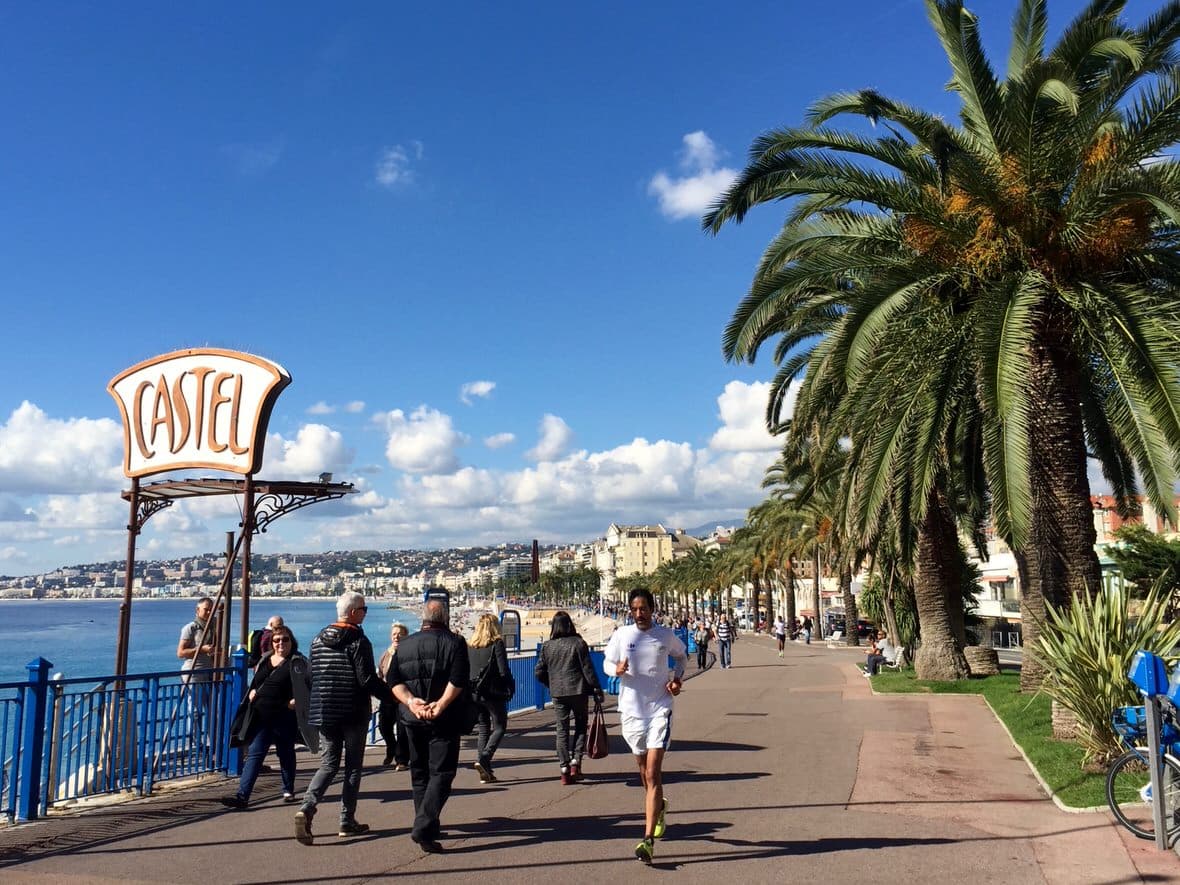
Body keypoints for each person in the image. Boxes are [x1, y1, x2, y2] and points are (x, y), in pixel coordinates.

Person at [294, 591, 395, 845]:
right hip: (353, 711)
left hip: (325, 712)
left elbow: (310, 677)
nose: (365, 613)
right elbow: (367, 679)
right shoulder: (358, 640)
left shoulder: (317, 640)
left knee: (328, 765)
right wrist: (394, 696)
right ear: (353, 613)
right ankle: (346, 821)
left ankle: (307, 807)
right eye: (364, 609)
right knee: (352, 768)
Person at [603, 587, 688, 866]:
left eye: (644, 608)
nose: (639, 613)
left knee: (652, 772)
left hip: (660, 709)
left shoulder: (665, 636)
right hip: (631, 711)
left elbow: (682, 656)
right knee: (644, 773)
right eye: (635, 609)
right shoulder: (622, 635)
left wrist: (677, 680)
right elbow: (607, 661)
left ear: (652, 609)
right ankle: (659, 806)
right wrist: (614, 670)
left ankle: (647, 839)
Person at [385, 599, 470, 854]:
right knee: (442, 774)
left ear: (423, 618)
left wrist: (412, 703)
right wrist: (441, 705)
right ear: (445, 617)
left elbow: (393, 681)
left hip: (412, 718)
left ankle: (427, 829)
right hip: (443, 719)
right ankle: (423, 825)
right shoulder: (455, 643)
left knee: (420, 773)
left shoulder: (405, 645)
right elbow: (459, 680)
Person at [221, 625, 304, 808]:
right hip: (261, 715)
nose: (281, 643)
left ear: (292, 641)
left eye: (285, 639)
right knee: (255, 754)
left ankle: (288, 789)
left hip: (284, 715)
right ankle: (242, 796)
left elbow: (308, 686)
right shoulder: (266, 659)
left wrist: (295, 701)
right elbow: (256, 681)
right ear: (271, 642)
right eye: (277, 640)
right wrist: (252, 692)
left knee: (286, 753)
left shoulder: (297, 661)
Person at [534, 611, 604, 785]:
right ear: (569, 624)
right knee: (581, 726)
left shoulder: (547, 646)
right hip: (578, 690)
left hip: (558, 693)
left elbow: (539, 671)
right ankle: (575, 762)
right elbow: (587, 669)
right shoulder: (578, 643)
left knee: (561, 730)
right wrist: (596, 688)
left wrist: (550, 683)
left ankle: (564, 768)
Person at [468, 613, 514, 784]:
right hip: (493, 692)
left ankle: (485, 769)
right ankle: (485, 758)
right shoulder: (497, 644)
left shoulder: (471, 646)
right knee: (500, 726)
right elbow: (503, 671)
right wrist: (509, 686)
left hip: (475, 692)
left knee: (483, 727)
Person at [177, 596, 217, 756]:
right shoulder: (190, 628)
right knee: (194, 711)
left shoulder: (215, 627)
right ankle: (195, 744)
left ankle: (211, 741)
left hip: (211, 673)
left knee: (212, 709)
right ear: (197, 610)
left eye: (210, 609)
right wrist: (202, 650)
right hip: (193, 673)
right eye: (205, 609)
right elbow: (181, 652)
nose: (208, 612)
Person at [377, 622, 411, 770]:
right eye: (394, 634)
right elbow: (380, 673)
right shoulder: (386, 654)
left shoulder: (409, 653)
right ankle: (391, 747)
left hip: (403, 696)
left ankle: (401, 760)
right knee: (384, 726)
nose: (396, 636)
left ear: (406, 636)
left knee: (402, 730)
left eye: (400, 634)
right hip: (387, 696)